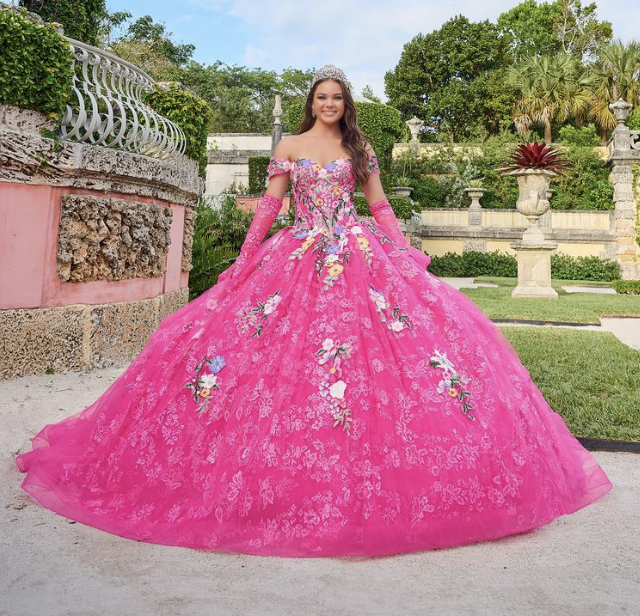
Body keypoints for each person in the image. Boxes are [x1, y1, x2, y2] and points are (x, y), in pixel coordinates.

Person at [15, 64, 612, 558]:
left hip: (355, 255)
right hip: (297, 253)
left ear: (347, 104)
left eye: (337, 97)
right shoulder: (289, 146)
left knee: (394, 357)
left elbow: (378, 207)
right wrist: (244, 261)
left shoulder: (361, 148)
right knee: (256, 354)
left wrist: (404, 254)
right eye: (321, 97)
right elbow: (269, 208)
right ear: (312, 101)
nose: (329, 104)